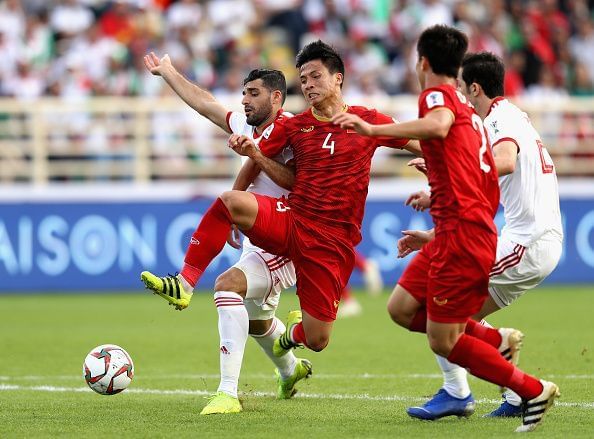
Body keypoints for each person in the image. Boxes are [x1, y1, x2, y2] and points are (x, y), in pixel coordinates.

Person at [332, 25, 559, 433]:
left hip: (483, 238)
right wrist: (436, 208)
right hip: (458, 233)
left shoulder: (440, 99)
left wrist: (374, 131)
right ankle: (494, 346)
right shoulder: (472, 119)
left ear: (422, 62)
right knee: (401, 308)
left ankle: (527, 389)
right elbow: (479, 186)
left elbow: (437, 127)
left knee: (445, 337)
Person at [141, 40, 421, 364]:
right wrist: (170, 72)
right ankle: (188, 286)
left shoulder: (327, 122)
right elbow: (212, 110)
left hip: (313, 237)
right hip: (279, 225)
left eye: (315, 77)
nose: (309, 85)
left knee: (312, 337)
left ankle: (277, 352)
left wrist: (448, 166)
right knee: (248, 306)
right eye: (304, 80)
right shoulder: (275, 126)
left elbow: (416, 141)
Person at [142, 52, 312, 415]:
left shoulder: (294, 131)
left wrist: (253, 173)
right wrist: (169, 72)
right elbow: (205, 104)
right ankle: (290, 369)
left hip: (287, 233)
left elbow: (296, 182)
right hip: (259, 233)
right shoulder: (246, 126)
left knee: (226, 286)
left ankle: (227, 393)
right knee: (258, 321)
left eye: (253, 93)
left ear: (276, 98)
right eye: (244, 94)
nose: (244, 100)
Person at [397, 52, 563, 419]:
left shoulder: (500, 119)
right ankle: (515, 390)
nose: (460, 100)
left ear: (474, 88)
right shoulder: (511, 116)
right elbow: (480, 191)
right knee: (458, 318)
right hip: (531, 241)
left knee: (434, 304)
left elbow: (504, 161)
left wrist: (456, 168)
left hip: (526, 243)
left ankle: (460, 391)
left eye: (462, 91)